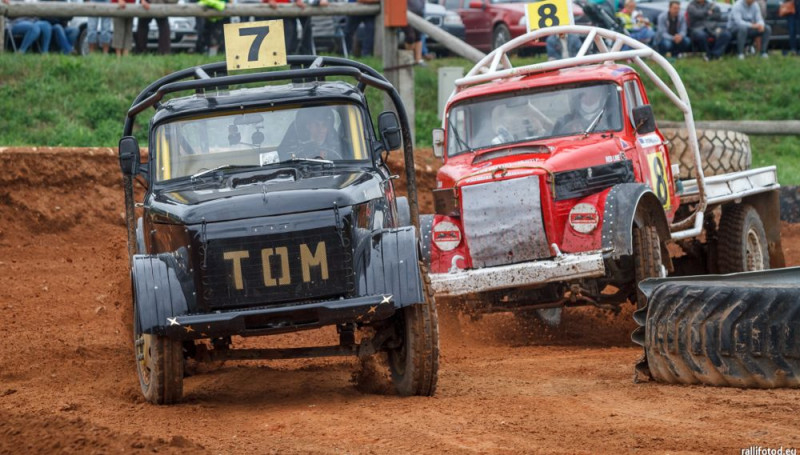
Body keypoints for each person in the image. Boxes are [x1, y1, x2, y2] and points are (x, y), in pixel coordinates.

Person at [279, 108, 344, 160]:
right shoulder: (289, 149)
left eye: (324, 125)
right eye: (316, 125)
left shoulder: (338, 148)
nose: (321, 130)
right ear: (307, 126)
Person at [405, 0, 425, 65]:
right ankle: (410, 58)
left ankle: (418, 59)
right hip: (405, 13)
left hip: (419, 13)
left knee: (418, 36)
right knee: (410, 36)